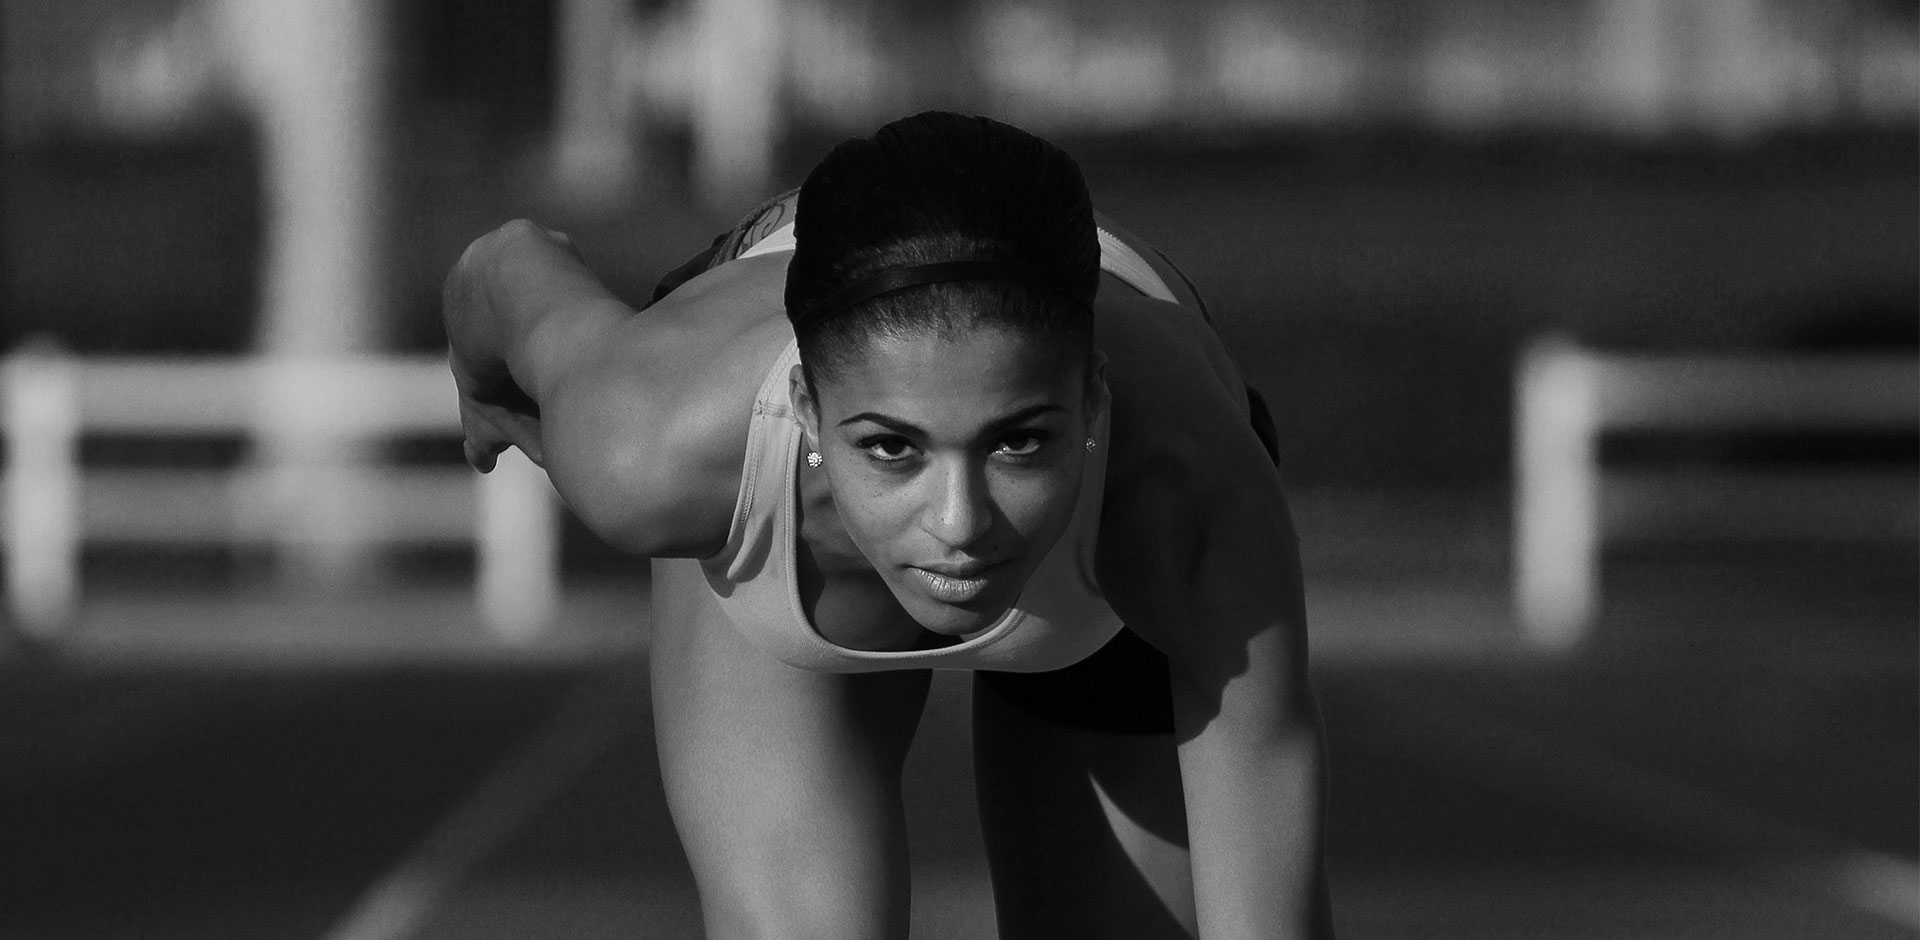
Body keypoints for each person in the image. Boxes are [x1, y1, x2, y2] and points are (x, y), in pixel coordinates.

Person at [445, 111, 1331, 940]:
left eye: (1017, 442)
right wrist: (482, 378)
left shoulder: (1189, 488)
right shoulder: (649, 449)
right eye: (893, 449)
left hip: (1109, 538)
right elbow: (505, 268)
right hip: (769, 416)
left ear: (1092, 400)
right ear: (805, 407)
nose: (960, 523)